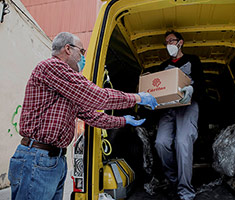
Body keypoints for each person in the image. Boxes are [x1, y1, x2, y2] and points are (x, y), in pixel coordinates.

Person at [8, 32, 157, 200]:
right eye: (82, 51)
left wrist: (124, 121)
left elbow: (93, 117)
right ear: (68, 49)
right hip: (36, 158)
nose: (83, 57)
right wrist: (137, 98)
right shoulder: (51, 67)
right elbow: (97, 97)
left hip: (54, 161)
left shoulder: (66, 87)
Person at [154, 30, 206, 200]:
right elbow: (158, 89)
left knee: (182, 142)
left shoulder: (193, 60)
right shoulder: (163, 67)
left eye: (171, 41)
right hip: (168, 108)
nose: (169, 45)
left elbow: (201, 83)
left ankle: (185, 191)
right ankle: (174, 180)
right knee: (161, 143)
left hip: (188, 105)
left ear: (180, 42)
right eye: (166, 42)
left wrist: (192, 88)